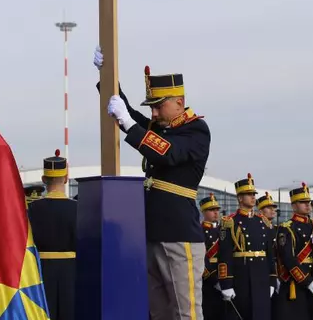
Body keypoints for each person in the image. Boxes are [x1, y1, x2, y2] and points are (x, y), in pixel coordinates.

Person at [95, 47, 211, 320]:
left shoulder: (195, 130)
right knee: (158, 312)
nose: (155, 113)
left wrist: (126, 122)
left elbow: (167, 152)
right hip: (152, 231)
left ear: (179, 102)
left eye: (159, 106)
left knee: (186, 313)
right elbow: (131, 115)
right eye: (154, 108)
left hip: (179, 233)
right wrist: (106, 76)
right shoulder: (162, 127)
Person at [27, 150, 77, 320]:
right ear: (66, 178)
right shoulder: (78, 208)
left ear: (43, 180)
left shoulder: (32, 209)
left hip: (40, 270)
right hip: (71, 270)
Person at [218, 174, 276, 320]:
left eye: (253, 194)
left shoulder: (263, 222)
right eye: (248, 194)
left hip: (262, 277)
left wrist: (272, 280)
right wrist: (226, 283)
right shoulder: (230, 222)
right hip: (242, 277)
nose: (253, 197)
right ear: (239, 198)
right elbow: (224, 255)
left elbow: (270, 255)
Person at [273, 183, 313, 320]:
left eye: (308, 202)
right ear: (294, 205)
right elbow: (288, 258)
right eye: (303, 202)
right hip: (296, 282)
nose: (308, 205)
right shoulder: (287, 228)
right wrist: (307, 281)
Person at [200, 193, 225, 320]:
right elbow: (200, 257)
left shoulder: (223, 231)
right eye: (211, 210)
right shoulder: (198, 231)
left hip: (224, 276)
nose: (216, 213)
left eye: (217, 210)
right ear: (203, 211)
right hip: (208, 280)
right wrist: (213, 279)